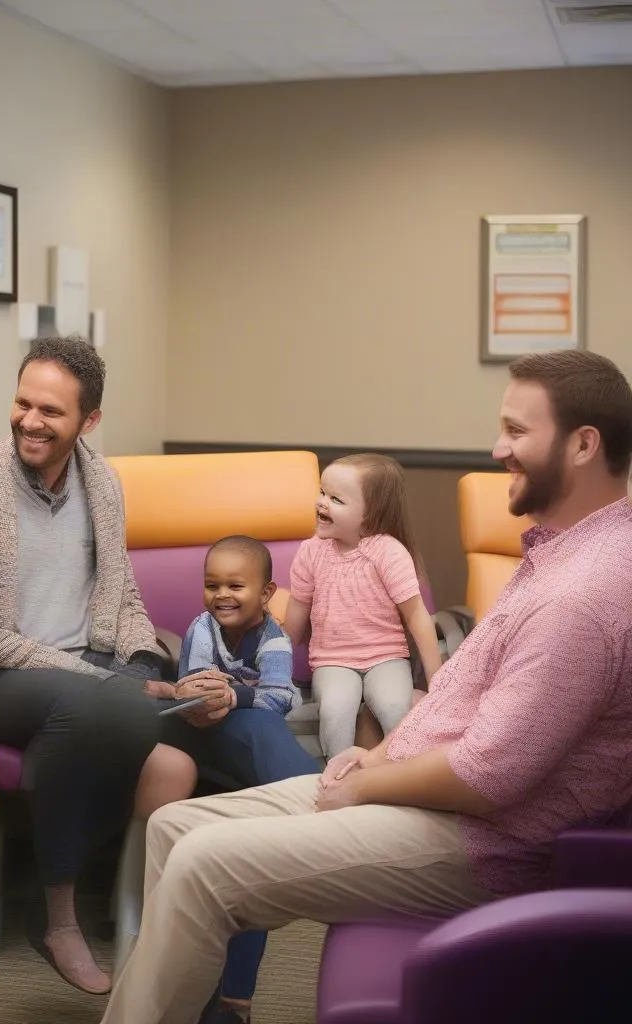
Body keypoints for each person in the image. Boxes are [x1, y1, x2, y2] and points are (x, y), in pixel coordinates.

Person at [99, 348, 632, 1024]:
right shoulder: (561, 550)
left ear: (584, 444)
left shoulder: (583, 597)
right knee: (176, 827)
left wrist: (366, 784)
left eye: (517, 431)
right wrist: (375, 756)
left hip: (483, 843)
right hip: (430, 800)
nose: (499, 448)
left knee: (204, 865)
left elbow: (489, 775)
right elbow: (461, 701)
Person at [0, 335, 197, 995]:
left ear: (88, 421)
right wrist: (98, 680)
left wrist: (138, 660)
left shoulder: (102, 481)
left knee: (176, 750)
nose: (30, 422)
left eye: (51, 411)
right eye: (22, 403)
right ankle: (58, 915)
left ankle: (151, 926)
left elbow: (121, 593)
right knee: (100, 703)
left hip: (81, 671)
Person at [166, 535, 316, 1024]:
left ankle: (234, 1003)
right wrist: (225, 696)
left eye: (236, 585)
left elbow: (279, 697)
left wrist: (234, 697)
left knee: (253, 851)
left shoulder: (273, 637)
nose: (222, 595)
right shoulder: (202, 627)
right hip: (196, 732)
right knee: (263, 733)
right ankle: (320, 805)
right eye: (212, 585)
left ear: (268, 592)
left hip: (246, 747)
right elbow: (195, 691)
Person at [285, 453, 442, 759]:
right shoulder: (310, 552)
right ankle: (337, 773)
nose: (321, 503)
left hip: (386, 657)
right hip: (333, 660)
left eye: (336, 499)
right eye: (321, 493)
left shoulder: (388, 552)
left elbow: (417, 617)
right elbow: (295, 617)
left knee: (395, 705)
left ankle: (400, 772)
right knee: (335, 708)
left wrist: (437, 678)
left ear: (370, 515)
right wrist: (272, 670)